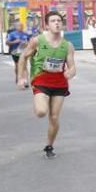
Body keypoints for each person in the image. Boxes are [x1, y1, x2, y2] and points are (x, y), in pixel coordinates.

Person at [16, 11, 76, 159]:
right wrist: (21, 77)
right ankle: (38, 102)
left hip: (59, 83)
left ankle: (49, 145)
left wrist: (71, 73)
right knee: (42, 112)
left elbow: (72, 66)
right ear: (47, 25)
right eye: (53, 21)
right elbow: (23, 58)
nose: (56, 23)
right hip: (41, 80)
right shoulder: (37, 41)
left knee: (54, 118)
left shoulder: (67, 45)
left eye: (59, 21)